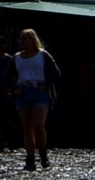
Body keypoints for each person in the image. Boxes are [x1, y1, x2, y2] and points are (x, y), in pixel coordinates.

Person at [12, 28, 60, 170]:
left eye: (26, 38)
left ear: (33, 40)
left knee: (38, 125)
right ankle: (30, 158)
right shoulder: (16, 57)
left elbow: (56, 73)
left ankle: (43, 153)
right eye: (22, 38)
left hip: (39, 90)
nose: (23, 41)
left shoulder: (43, 55)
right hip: (23, 91)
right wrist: (14, 89)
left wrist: (46, 84)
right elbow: (7, 76)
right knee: (27, 128)